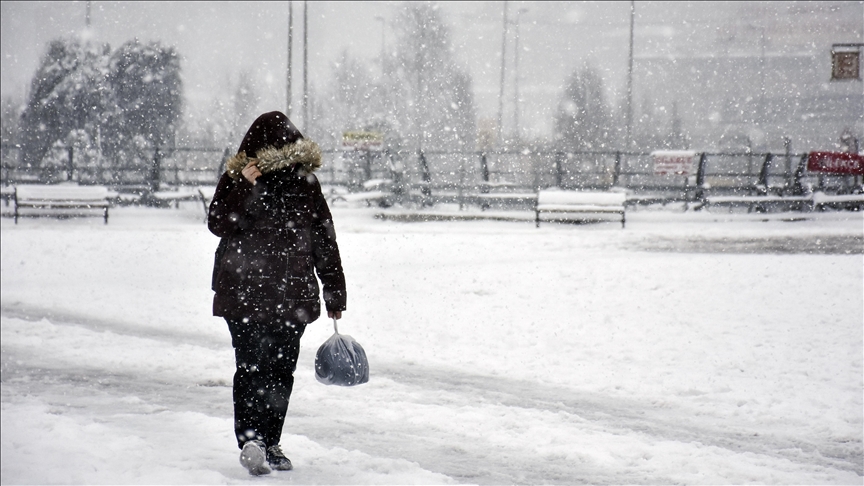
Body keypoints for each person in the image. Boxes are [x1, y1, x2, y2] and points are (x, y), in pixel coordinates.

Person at [208, 111, 346, 475]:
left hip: (276, 293)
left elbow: (321, 237)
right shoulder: (240, 179)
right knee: (269, 369)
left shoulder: (304, 182)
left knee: (265, 369)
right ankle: (258, 441)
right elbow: (218, 223)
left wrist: (334, 291)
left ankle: (264, 440)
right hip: (256, 293)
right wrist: (243, 186)